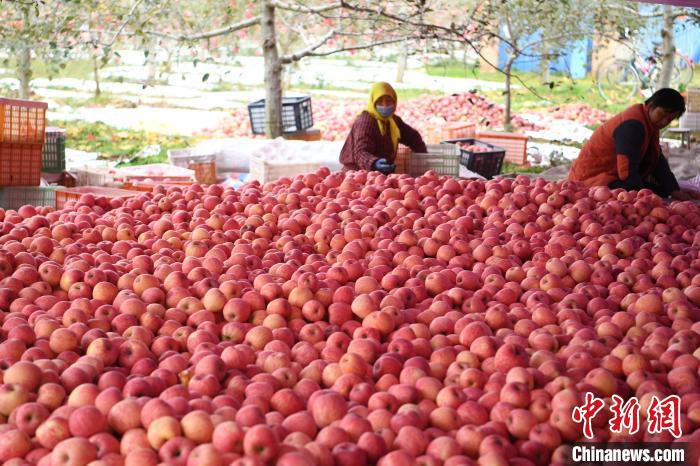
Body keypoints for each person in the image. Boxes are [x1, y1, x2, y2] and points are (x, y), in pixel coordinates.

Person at [569, 88, 698, 200]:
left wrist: (674, 190)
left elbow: (657, 158)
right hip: (588, 179)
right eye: (662, 114)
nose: (664, 121)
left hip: (613, 173)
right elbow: (627, 171)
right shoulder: (632, 125)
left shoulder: (649, 123)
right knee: (634, 189)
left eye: (669, 119)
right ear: (651, 105)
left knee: (663, 189)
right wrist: (645, 198)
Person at [340, 82, 427, 173]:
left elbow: (413, 137)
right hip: (357, 174)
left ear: (395, 101)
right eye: (380, 101)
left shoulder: (393, 121)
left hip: (381, 176)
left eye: (389, 101)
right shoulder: (366, 122)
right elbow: (360, 152)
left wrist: (423, 158)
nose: (385, 105)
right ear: (373, 102)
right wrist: (374, 163)